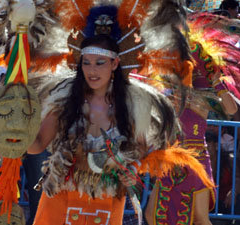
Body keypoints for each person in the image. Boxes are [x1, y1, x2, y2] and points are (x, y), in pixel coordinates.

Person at [27, 34, 214, 225]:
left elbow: (140, 149)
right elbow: (38, 145)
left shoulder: (133, 103)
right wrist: (17, 133)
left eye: (100, 63)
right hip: (61, 196)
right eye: (87, 62)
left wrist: (132, 169)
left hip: (107, 199)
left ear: (115, 63)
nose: (92, 70)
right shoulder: (64, 99)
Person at [145, 41, 238, 225]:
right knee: (152, 214)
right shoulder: (165, 95)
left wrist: (215, 79)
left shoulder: (202, 97)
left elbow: (232, 109)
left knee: (200, 218)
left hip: (196, 162)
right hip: (170, 160)